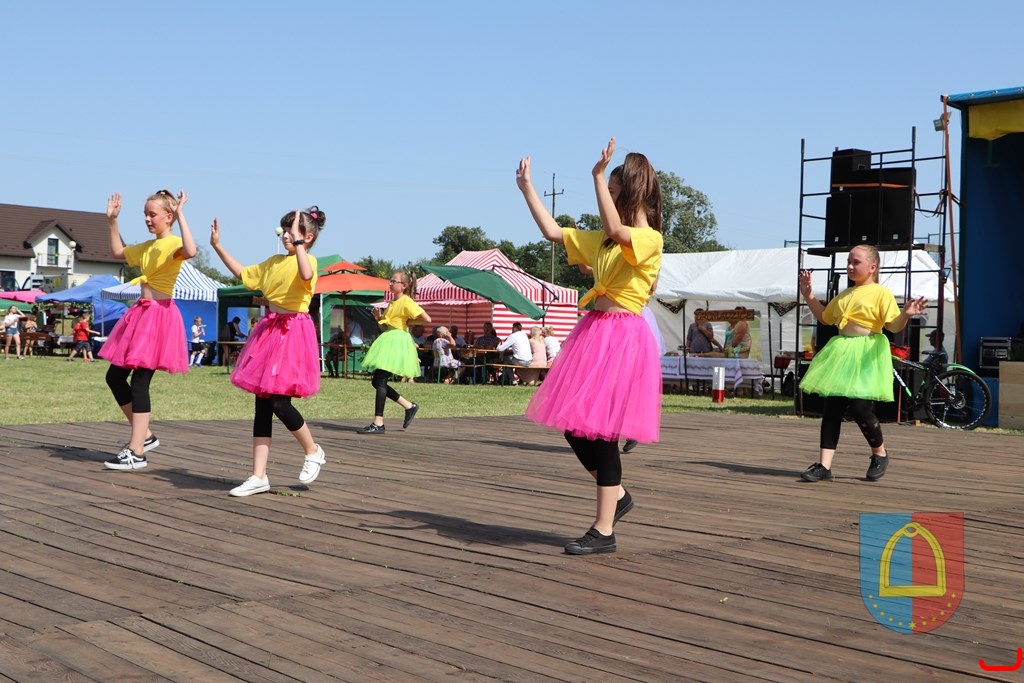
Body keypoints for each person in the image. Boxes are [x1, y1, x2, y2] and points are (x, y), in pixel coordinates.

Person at [516, 137, 663, 555]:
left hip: (622, 337)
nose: (608, 199)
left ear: (629, 192)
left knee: (603, 433)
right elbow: (552, 232)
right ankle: (618, 496)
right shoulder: (603, 241)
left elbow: (618, 228)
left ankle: (604, 530)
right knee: (575, 427)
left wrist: (597, 175)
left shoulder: (649, 239)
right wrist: (527, 188)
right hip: (595, 331)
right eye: (607, 191)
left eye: (614, 192)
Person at [211, 206, 327, 497]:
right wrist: (217, 246)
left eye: (293, 231)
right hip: (270, 330)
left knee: (279, 402)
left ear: (308, 237)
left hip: (293, 331)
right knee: (262, 404)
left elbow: (306, 274)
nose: (286, 235)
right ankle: (258, 475)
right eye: (285, 230)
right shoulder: (274, 262)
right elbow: (244, 274)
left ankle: (313, 450)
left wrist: (299, 245)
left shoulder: (308, 260)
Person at [798, 244, 928, 483]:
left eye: (855, 262)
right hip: (842, 351)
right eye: (848, 262)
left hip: (867, 352)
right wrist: (808, 295)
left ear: (872, 267)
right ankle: (824, 465)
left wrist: (906, 314)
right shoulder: (845, 294)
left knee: (860, 408)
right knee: (833, 408)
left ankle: (880, 453)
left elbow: (893, 325)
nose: (849, 266)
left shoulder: (881, 293)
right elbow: (825, 317)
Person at [99, 190, 197, 470]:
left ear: (169, 216)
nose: (147, 219)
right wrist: (112, 221)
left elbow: (191, 251)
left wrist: (182, 215)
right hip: (141, 314)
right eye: (145, 214)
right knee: (114, 376)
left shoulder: (174, 243)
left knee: (140, 381)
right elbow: (117, 252)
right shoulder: (147, 246)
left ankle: (137, 451)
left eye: (152, 214)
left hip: (159, 317)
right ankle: (146, 435)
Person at [358, 270, 432, 433]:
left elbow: (427, 318)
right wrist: (378, 318)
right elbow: (385, 327)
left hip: (397, 341)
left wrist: (409, 322)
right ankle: (409, 406)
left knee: (380, 381)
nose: (390, 284)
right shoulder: (392, 302)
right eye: (390, 281)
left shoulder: (406, 301)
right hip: (388, 339)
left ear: (404, 285)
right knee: (377, 382)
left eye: (393, 281)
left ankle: (379, 423)